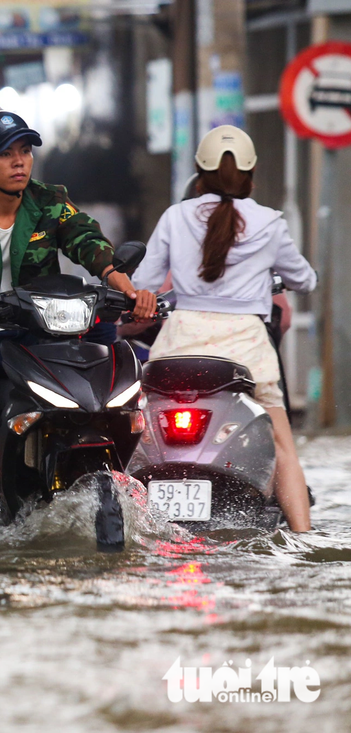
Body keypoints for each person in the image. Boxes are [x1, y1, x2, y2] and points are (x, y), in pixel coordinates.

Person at [0, 110, 157, 513]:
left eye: (25, 152)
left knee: (115, 363)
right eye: (5, 154)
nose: (19, 162)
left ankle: (130, 469)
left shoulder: (50, 201)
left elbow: (87, 240)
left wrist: (128, 289)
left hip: (47, 329)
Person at [132, 125, 316, 531]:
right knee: (283, 447)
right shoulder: (270, 223)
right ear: (250, 177)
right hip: (247, 351)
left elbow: (143, 283)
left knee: (138, 431)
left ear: (199, 174)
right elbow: (302, 279)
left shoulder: (175, 216)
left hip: (179, 345)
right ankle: (304, 538)